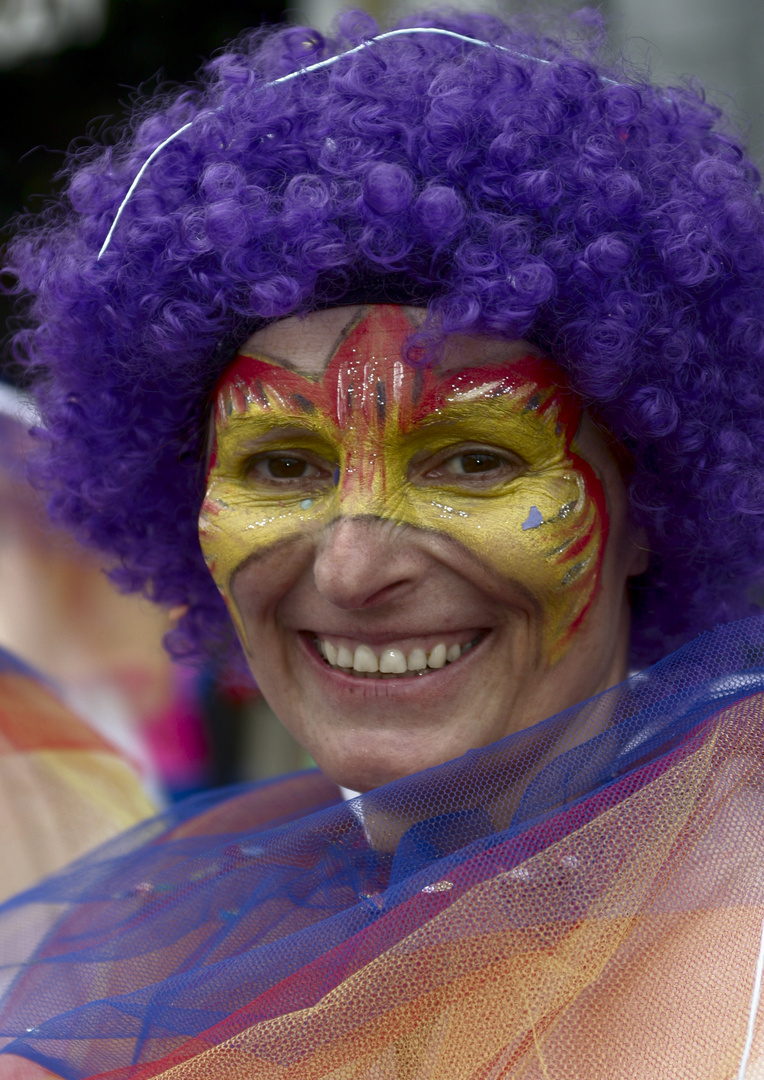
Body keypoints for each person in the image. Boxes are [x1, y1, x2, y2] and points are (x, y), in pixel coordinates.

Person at [2, 8, 764, 1078]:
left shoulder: (740, 959)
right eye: (282, 465)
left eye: (473, 459)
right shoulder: (154, 949)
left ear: (648, 508)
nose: (354, 570)